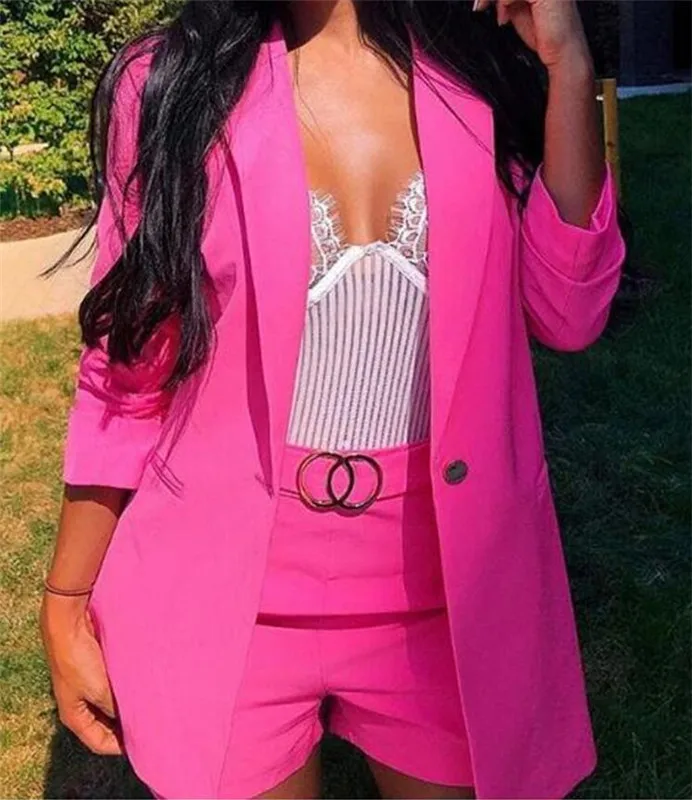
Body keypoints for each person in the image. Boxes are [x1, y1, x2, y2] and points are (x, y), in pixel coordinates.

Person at [40, 1, 627, 798]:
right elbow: (128, 369)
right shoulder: (168, 83)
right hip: (224, 595)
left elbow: (569, 311)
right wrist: (67, 597)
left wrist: (569, 64)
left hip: (446, 593)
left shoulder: (484, 68)